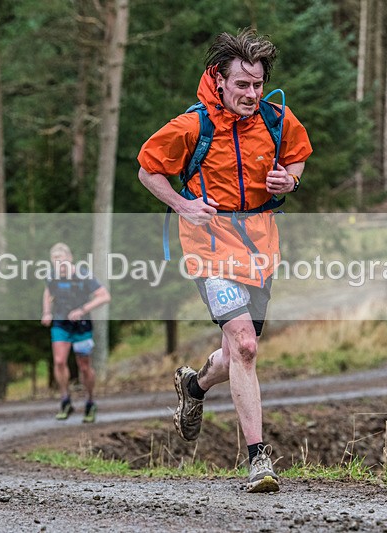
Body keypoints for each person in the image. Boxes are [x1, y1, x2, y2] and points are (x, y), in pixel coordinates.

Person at [137, 29, 312, 493]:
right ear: (219, 80)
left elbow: (296, 159)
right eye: (241, 86)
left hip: (260, 249)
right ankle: (259, 460)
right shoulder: (191, 126)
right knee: (246, 347)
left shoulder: (277, 118)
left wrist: (288, 183)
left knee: (238, 351)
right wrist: (182, 204)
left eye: (257, 84)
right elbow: (147, 168)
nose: (251, 94)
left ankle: (195, 386)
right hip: (209, 248)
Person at [41, 243, 110, 422]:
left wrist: (83, 309)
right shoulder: (52, 277)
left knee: (84, 366)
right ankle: (65, 400)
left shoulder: (83, 275)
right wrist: (47, 312)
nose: (59, 265)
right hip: (61, 322)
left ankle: (90, 401)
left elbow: (104, 296)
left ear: (69, 259)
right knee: (59, 361)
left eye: (61, 260)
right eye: (55, 261)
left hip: (82, 325)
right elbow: (48, 293)